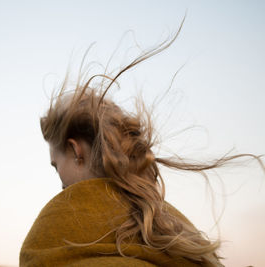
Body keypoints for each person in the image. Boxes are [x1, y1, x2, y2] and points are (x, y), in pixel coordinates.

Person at [19, 28, 263, 267]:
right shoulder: (179, 235)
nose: (59, 179)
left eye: (55, 165)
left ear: (75, 151)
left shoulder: (52, 235)